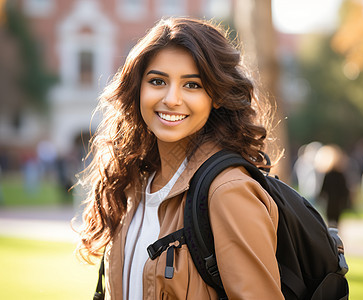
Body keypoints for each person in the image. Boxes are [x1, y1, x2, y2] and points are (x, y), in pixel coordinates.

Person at [76, 17, 283, 299]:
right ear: (138, 89)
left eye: (192, 85)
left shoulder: (228, 191)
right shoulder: (133, 183)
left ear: (217, 96)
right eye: (158, 81)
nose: (172, 99)